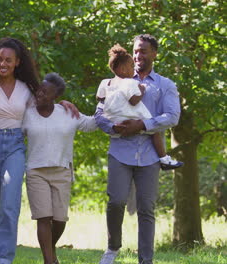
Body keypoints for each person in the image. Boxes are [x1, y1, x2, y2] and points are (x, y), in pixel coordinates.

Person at [0, 37, 79, 264]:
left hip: (15, 147)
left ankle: (5, 258)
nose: (2, 63)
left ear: (17, 63)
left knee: (9, 205)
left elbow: (43, 108)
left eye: (8, 60)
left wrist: (63, 105)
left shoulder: (27, 89)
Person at [95, 34, 181, 264]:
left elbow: (172, 117)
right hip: (119, 151)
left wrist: (143, 124)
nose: (138, 55)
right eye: (135, 51)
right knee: (116, 201)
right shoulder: (117, 80)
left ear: (154, 53)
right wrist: (114, 127)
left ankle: (146, 260)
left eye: (143, 51)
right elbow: (99, 113)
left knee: (146, 209)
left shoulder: (165, 85)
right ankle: (113, 247)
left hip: (150, 156)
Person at [22, 73, 97, 264]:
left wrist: (106, 102)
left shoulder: (66, 113)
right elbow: (13, 134)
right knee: (43, 217)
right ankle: (49, 260)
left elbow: (91, 124)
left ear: (55, 96)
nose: (40, 94)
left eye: (46, 92)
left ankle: (50, 250)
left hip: (62, 170)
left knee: (60, 219)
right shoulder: (27, 113)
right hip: (36, 171)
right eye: (40, 89)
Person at [96, 44, 183, 170]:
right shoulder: (130, 82)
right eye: (131, 66)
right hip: (129, 116)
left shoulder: (105, 82)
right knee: (153, 130)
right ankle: (164, 158)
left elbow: (100, 98)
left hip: (114, 117)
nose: (134, 67)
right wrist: (141, 90)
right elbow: (134, 101)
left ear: (154, 54)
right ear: (123, 69)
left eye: (143, 51)